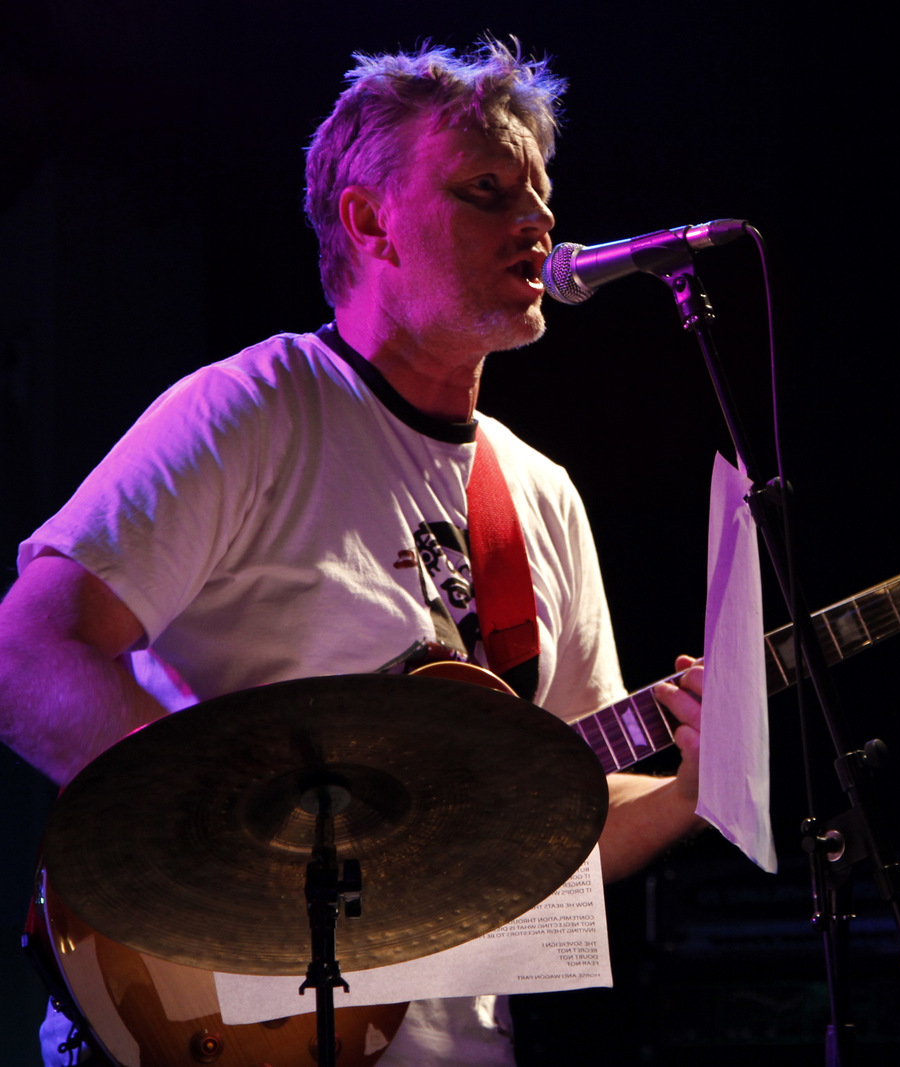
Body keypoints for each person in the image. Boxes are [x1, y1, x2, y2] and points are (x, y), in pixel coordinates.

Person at [0, 38, 708, 1065]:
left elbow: (559, 819)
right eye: (486, 190)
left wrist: (693, 788)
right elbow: (27, 653)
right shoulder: (253, 410)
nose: (537, 221)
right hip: (212, 1018)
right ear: (371, 221)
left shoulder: (541, 492)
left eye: (540, 195)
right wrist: (246, 840)